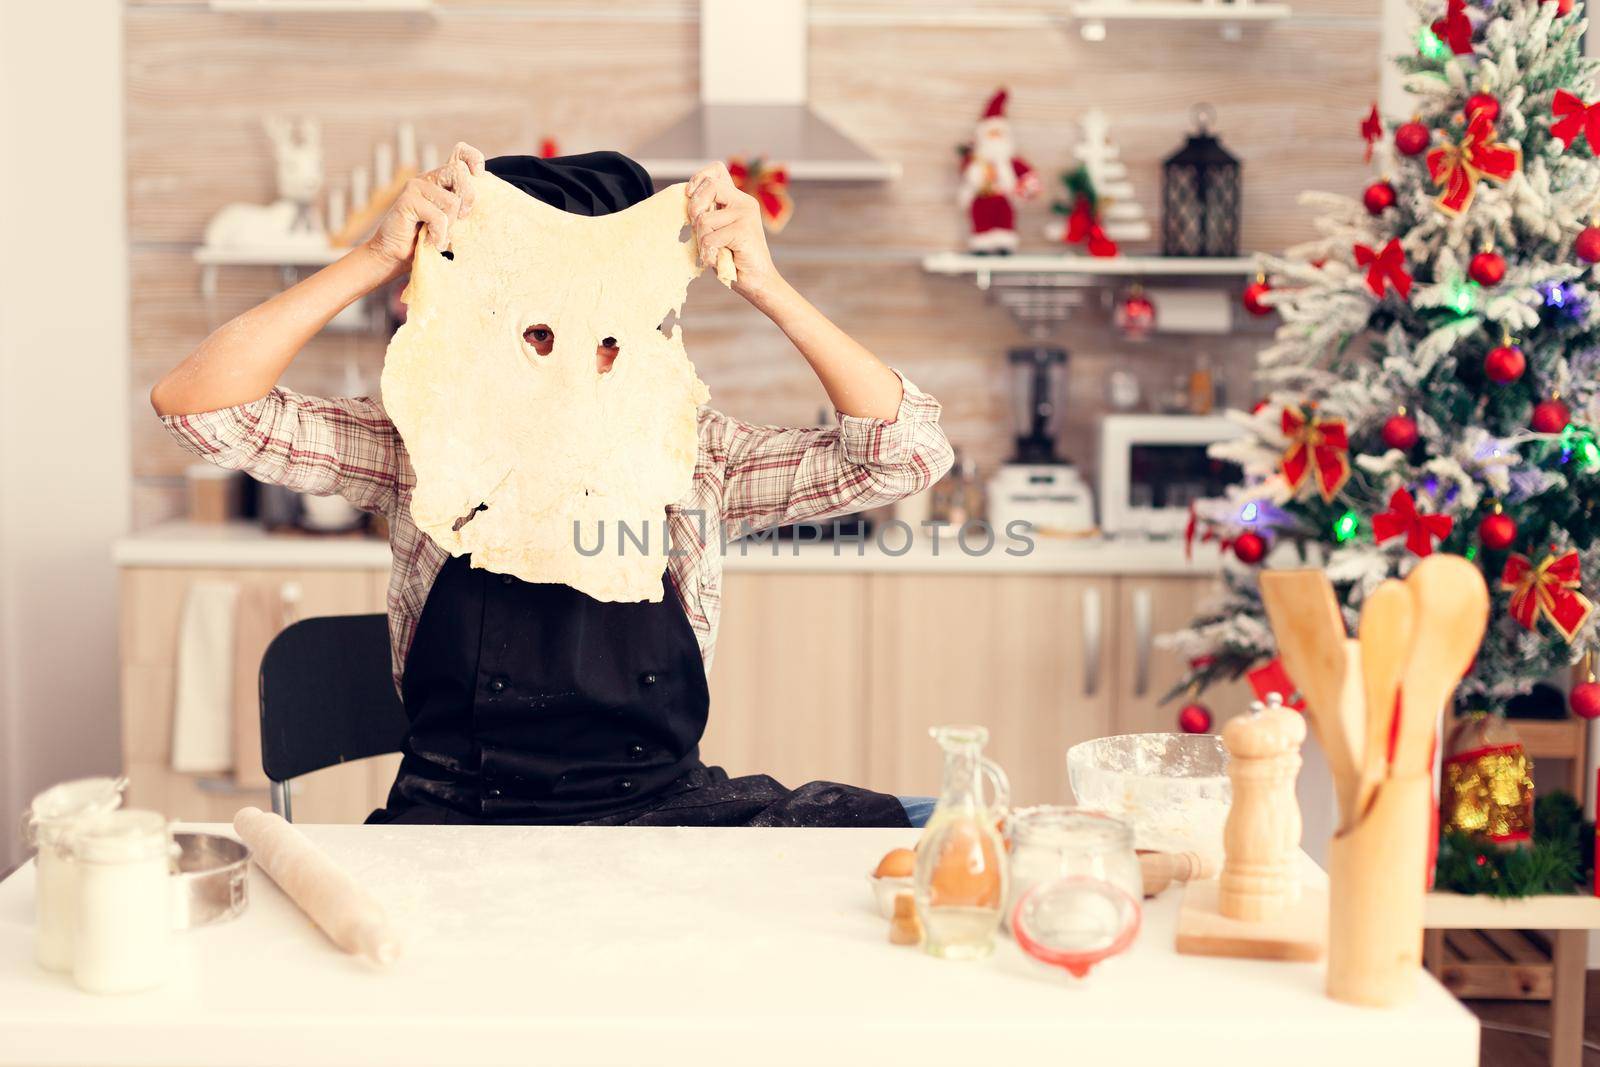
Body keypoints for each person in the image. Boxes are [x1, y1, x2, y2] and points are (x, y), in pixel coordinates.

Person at [153, 143, 953, 827]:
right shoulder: (423, 437)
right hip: (454, 819)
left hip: (665, 811)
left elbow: (906, 452)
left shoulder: (696, 456)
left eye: (607, 333)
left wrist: (766, 285)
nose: (578, 362)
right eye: (538, 332)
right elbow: (200, 408)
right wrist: (373, 260)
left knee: (929, 822)